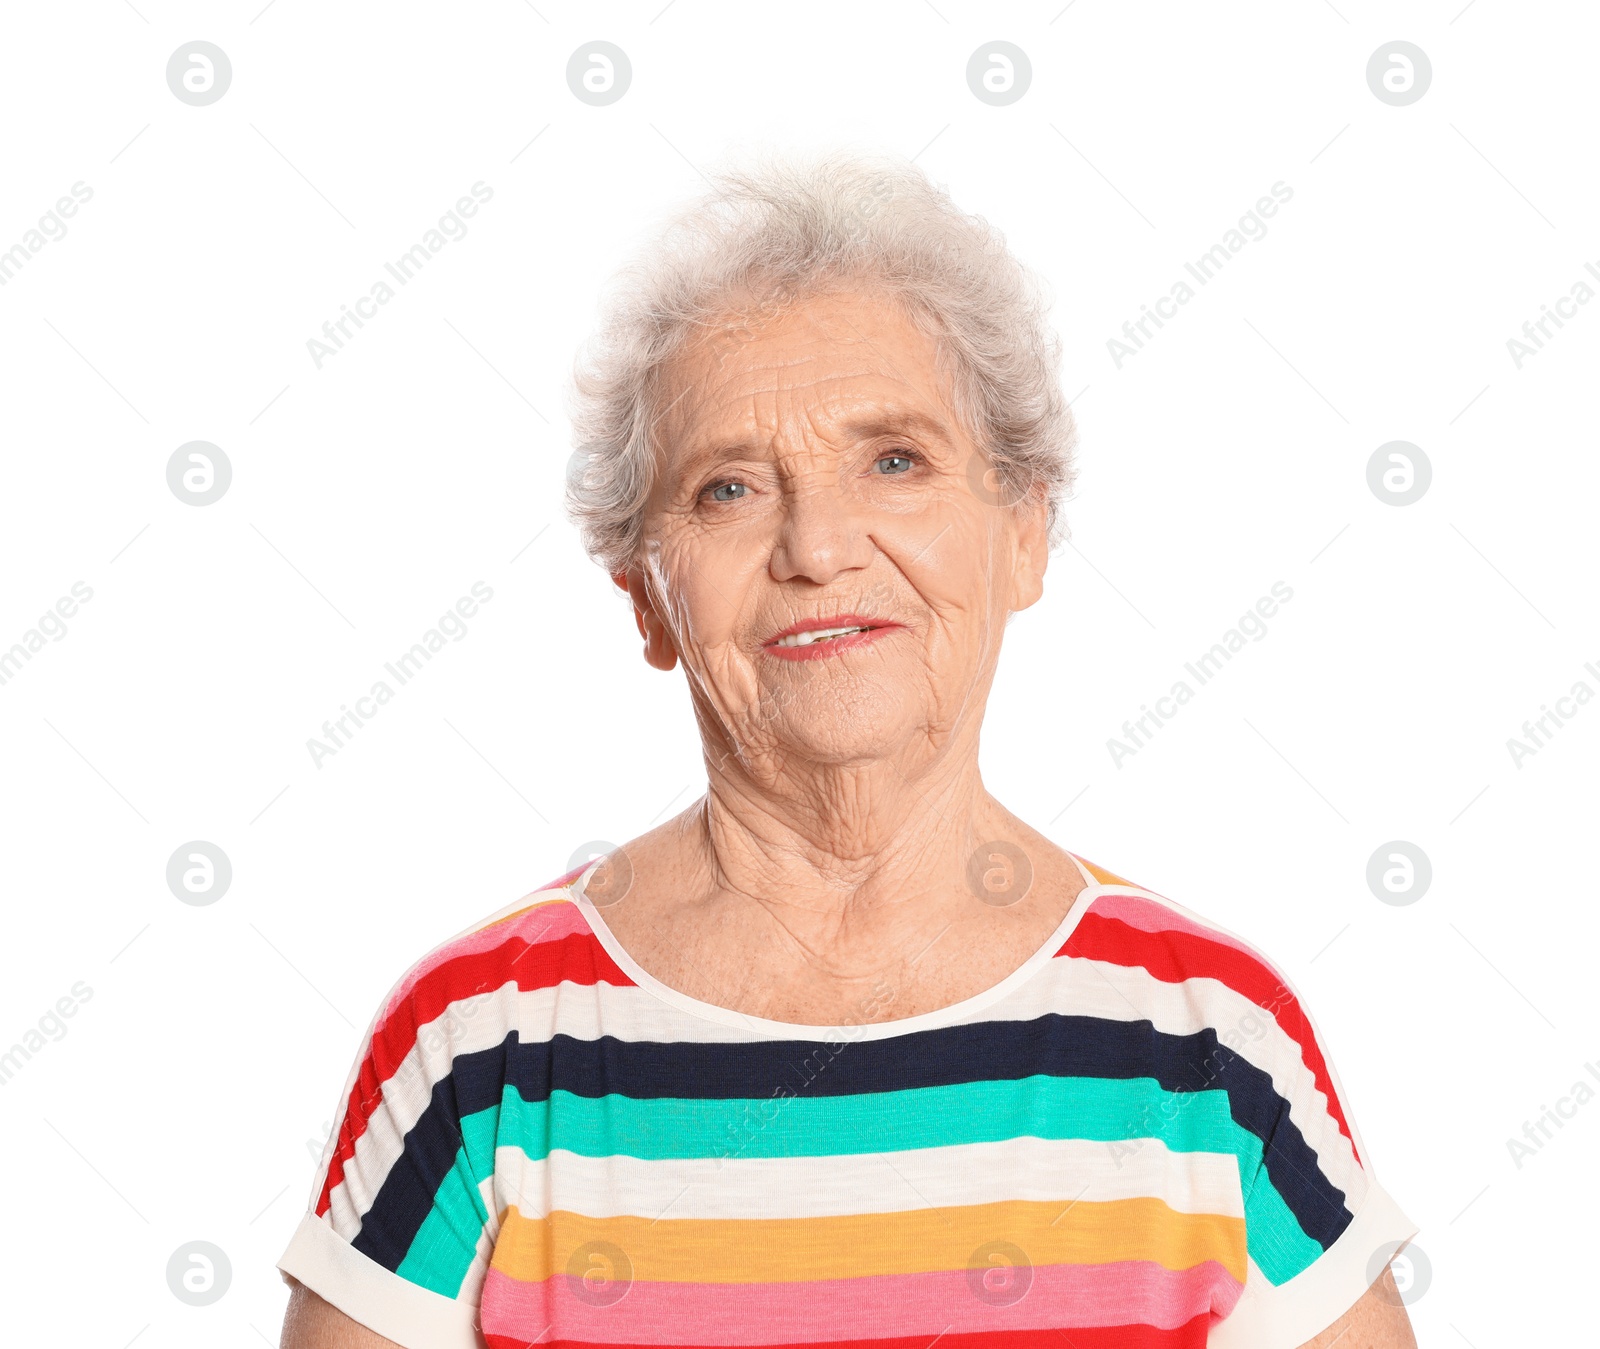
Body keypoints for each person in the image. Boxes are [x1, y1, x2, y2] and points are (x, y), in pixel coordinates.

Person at [278, 148, 1418, 1349]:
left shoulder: (1204, 1036)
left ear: (1024, 530)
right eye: (726, 488)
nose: (817, 545)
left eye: (894, 460)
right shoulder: (480, 1041)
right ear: (646, 597)